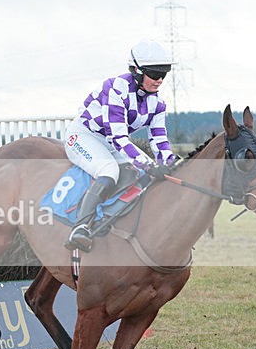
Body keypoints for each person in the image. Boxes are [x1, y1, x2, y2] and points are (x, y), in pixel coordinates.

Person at [63, 39, 177, 252]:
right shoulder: (116, 88)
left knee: (146, 176)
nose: (159, 80)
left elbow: (159, 139)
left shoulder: (158, 103)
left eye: (164, 74)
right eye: (154, 74)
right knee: (109, 171)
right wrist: (150, 165)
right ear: (136, 70)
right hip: (83, 136)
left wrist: (169, 162)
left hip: (109, 141)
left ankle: (114, 223)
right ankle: (80, 228)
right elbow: (119, 139)